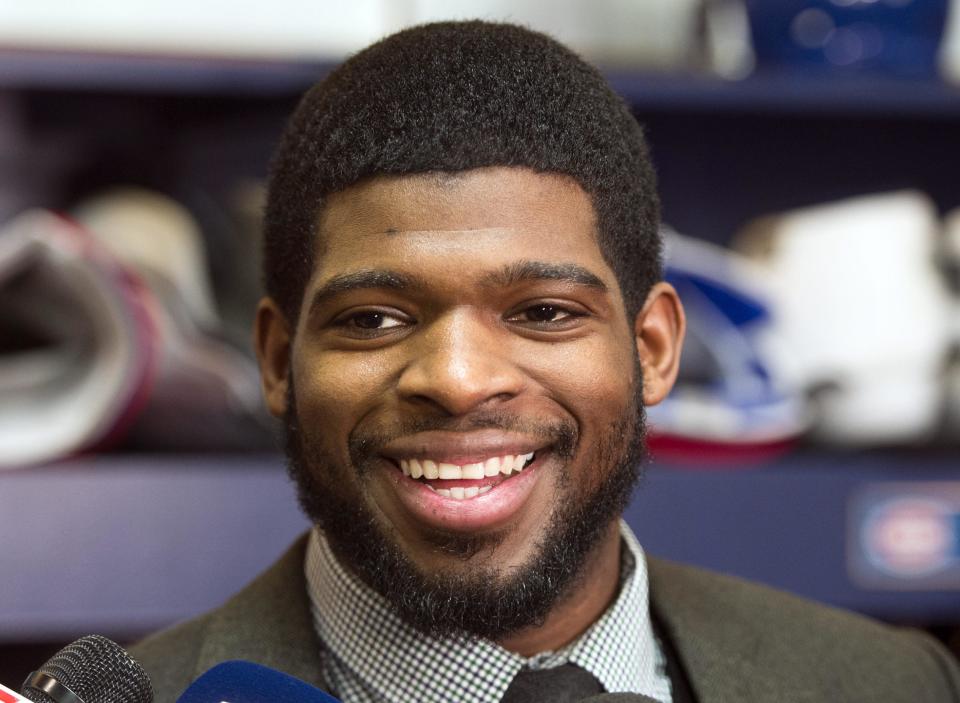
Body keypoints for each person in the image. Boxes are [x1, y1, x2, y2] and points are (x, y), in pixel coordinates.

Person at [130, 20, 960, 703]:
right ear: (277, 361)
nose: (457, 379)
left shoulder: (891, 684)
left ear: (653, 349)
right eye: (375, 318)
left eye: (543, 313)